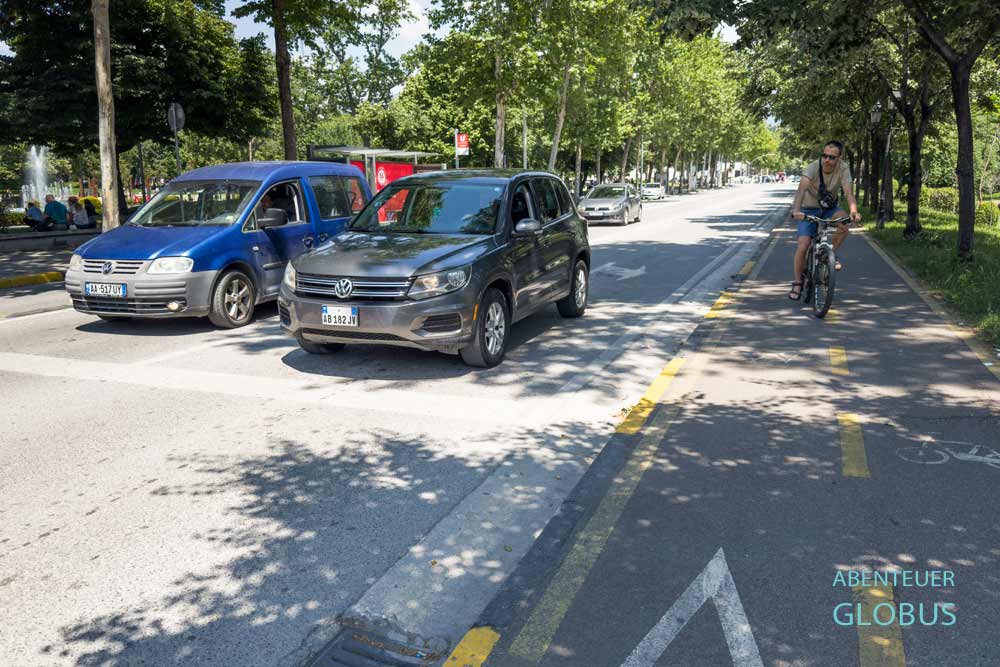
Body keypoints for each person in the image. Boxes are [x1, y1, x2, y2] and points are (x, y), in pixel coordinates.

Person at [788, 140, 862, 300]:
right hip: (808, 209)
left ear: (840, 158)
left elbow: (849, 193)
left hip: (829, 208)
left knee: (843, 226)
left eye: (832, 157)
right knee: (803, 245)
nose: (827, 160)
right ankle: (797, 282)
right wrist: (796, 210)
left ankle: (830, 255)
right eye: (824, 156)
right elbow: (801, 189)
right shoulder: (813, 167)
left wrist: (854, 211)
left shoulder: (843, 168)